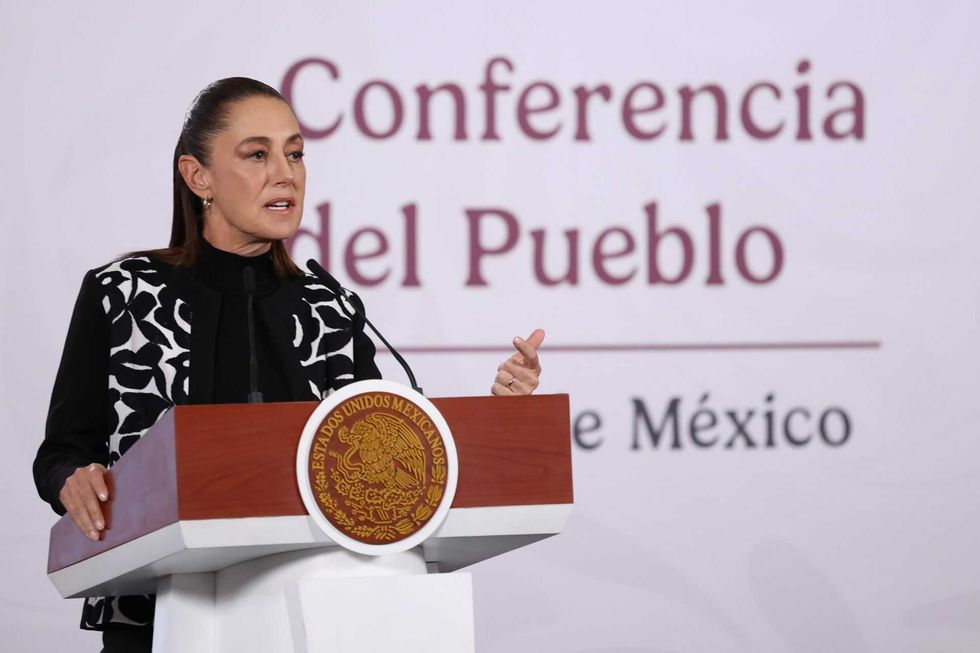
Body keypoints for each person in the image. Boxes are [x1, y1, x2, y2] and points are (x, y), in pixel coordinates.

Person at [32, 77, 545, 653]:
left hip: (315, 617)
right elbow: (61, 454)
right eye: (257, 154)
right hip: (158, 613)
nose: (287, 173)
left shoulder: (329, 308)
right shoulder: (123, 292)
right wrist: (71, 480)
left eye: (296, 154)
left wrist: (497, 423)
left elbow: (380, 464)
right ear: (197, 176)